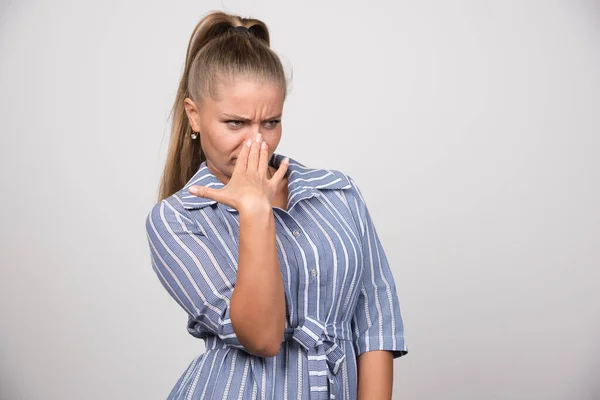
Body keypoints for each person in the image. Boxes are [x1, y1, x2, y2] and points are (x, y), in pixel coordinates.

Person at [145, 11, 408, 400]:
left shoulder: (336, 192)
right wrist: (254, 211)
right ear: (194, 114)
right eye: (236, 123)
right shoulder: (177, 220)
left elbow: (377, 324)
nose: (257, 142)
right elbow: (263, 338)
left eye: (270, 122)